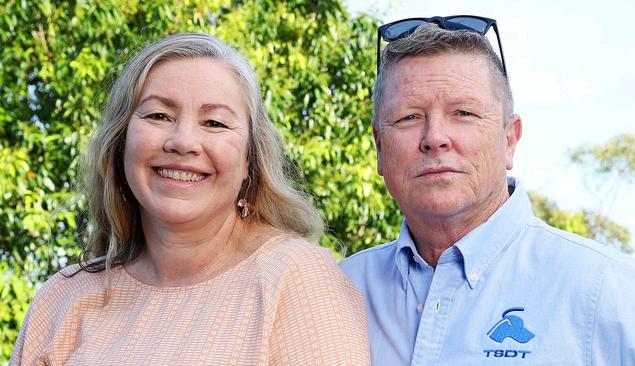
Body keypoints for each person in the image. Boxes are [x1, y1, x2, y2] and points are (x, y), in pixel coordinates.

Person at [11, 33, 370, 365]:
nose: (182, 141)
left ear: (249, 161)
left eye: (214, 123)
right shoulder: (62, 299)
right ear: (120, 144)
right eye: (159, 115)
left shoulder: (297, 282)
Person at [341, 16, 635, 365]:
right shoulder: (335, 292)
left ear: (509, 139)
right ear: (380, 147)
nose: (435, 138)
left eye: (463, 113)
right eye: (409, 118)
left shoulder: (611, 294)